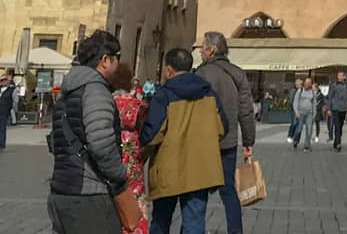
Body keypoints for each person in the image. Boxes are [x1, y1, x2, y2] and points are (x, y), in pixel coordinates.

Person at [46, 29, 131, 234]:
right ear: (105, 60)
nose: (119, 64)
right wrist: (120, 176)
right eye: (117, 58)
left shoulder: (68, 90)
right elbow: (101, 144)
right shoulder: (95, 90)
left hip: (61, 190)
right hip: (88, 194)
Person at [138, 48, 226, 234]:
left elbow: (152, 134)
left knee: (161, 220)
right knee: (194, 221)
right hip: (200, 168)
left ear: (168, 70)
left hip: (168, 166)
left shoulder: (164, 95)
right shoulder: (209, 93)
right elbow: (222, 127)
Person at [195, 31, 256, 234]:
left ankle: (194, 228)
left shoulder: (201, 74)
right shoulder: (238, 74)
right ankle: (235, 230)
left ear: (210, 50)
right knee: (228, 190)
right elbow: (246, 111)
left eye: (203, 48)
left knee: (199, 189)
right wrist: (248, 141)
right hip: (229, 142)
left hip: (204, 142)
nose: (201, 52)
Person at [109, 64, 149, 234]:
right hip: (132, 152)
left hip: (111, 151)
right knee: (135, 194)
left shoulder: (107, 102)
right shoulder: (138, 105)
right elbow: (146, 132)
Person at [325, 71, 347, 152]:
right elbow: (330, 97)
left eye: (341, 76)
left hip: (343, 108)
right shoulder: (334, 85)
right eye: (338, 76)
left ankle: (336, 142)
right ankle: (338, 144)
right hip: (335, 108)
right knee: (337, 126)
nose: (339, 77)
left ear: (344, 77)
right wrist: (328, 109)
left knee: (340, 127)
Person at [290, 79, 320, 151]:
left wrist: (314, 113)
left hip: (309, 113)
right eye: (306, 83)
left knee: (309, 129)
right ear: (304, 83)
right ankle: (295, 141)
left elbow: (314, 103)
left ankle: (307, 145)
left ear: (310, 84)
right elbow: (295, 102)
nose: (307, 84)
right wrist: (296, 112)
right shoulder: (300, 91)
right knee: (299, 129)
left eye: (309, 83)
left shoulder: (312, 92)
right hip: (301, 113)